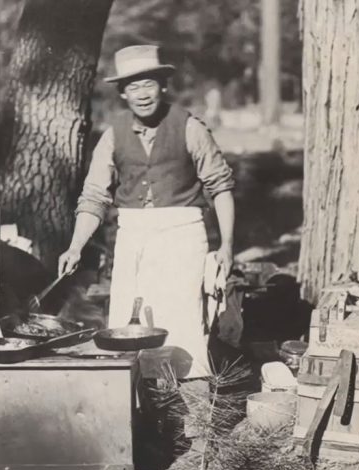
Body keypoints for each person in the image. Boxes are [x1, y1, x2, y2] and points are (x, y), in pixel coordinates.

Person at [58, 45, 235, 378]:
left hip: (183, 234)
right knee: (129, 325)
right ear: (123, 93)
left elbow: (220, 187)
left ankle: (191, 414)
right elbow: (94, 196)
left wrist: (226, 244)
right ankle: (137, 408)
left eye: (148, 83)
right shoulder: (113, 136)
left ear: (163, 85)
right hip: (132, 237)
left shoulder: (189, 127)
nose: (142, 94)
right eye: (133, 86)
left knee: (183, 321)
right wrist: (76, 246)